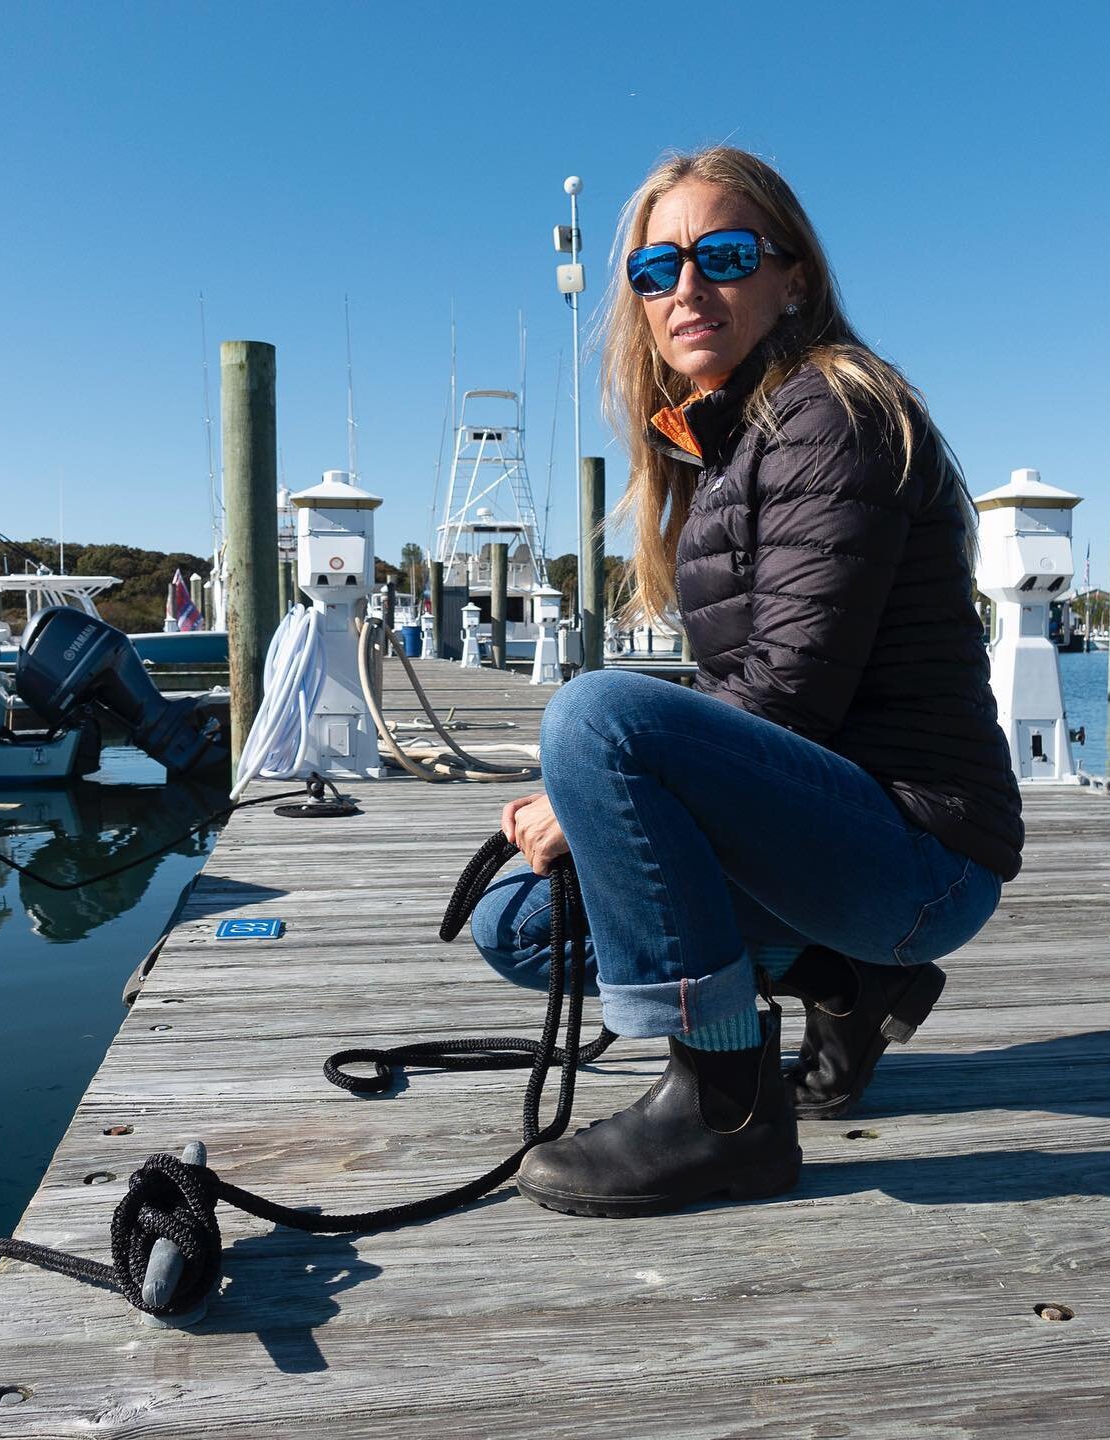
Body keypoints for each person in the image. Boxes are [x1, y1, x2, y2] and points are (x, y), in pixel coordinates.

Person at [470, 147, 1023, 1218]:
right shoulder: (730, 443)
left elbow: (791, 694)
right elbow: (762, 698)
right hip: (834, 841)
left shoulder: (835, 413)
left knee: (595, 717)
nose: (686, 289)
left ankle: (724, 1110)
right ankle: (847, 984)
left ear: (793, 279)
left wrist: (589, 789)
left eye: (721, 256)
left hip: (921, 856)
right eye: (655, 269)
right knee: (521, 927)